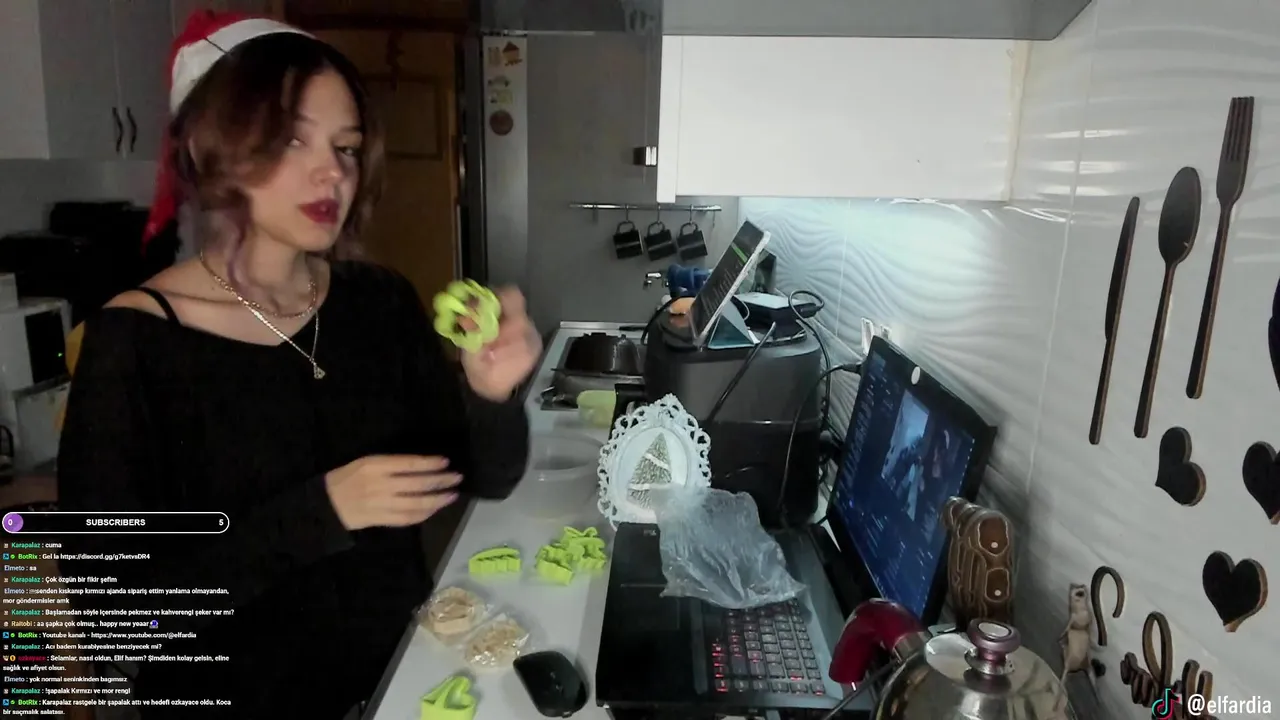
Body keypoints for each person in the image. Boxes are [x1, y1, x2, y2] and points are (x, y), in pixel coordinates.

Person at [55, 11, 540, 718]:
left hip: (398, 687)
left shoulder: (379, 302)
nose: (332, 172)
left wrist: (491, 395)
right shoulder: (134, 343)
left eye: (347, 147)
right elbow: (116, 614)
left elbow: (482, 477)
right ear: (207, 146)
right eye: (290, 139)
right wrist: (321, 512)